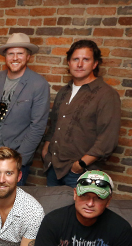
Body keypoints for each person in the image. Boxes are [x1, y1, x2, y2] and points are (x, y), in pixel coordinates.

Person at [42, 40, 121, 188]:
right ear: (69, 63)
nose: (79, 64)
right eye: (75, 59)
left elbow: (107, 139)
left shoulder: (106, 95)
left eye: (86, 59)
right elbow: (54, 126)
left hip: (80, 173)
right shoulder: (63, 92)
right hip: (53, 168)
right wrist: (46, 151)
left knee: (78, 211)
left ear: (95, 64)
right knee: (53, 211)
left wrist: (80, 164)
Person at [0, 33, 50, 185]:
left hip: (16, 156)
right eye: (11, 54)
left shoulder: (39, 84)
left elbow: (38, 127)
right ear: (5, 57)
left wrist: (19, 160)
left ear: (28, 56)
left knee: (10, 204)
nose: (15, 58)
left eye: (20, 53)